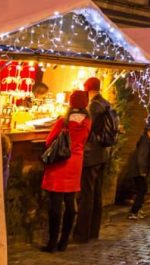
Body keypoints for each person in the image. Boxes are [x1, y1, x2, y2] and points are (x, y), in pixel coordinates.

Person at [41, 90, 92, 253]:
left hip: (60, 164)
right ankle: (64, 242)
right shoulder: (87, 122)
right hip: (75, 163)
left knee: (55, 205)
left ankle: (52, 243)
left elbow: (49, 141)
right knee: (70, 204)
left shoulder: (63, 122)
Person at [75, 76, 112, 242]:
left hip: (91, 155)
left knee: (87, 194)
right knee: (97, 194)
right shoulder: (106, 103)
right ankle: (93, 231)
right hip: (103, 154)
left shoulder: (94, 106)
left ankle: (82, 234)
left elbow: (87, 131)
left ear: (87, 88)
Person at [127, 123, 150, 220]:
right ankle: (134, 211)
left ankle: (137, 210)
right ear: (149, 132)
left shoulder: (148, 141)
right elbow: (141, 157)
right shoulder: (145, 142)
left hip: (140, 170)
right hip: (139, 170)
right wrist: (142, 171)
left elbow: (146, 157)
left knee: (142, 190)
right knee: (142, 190)